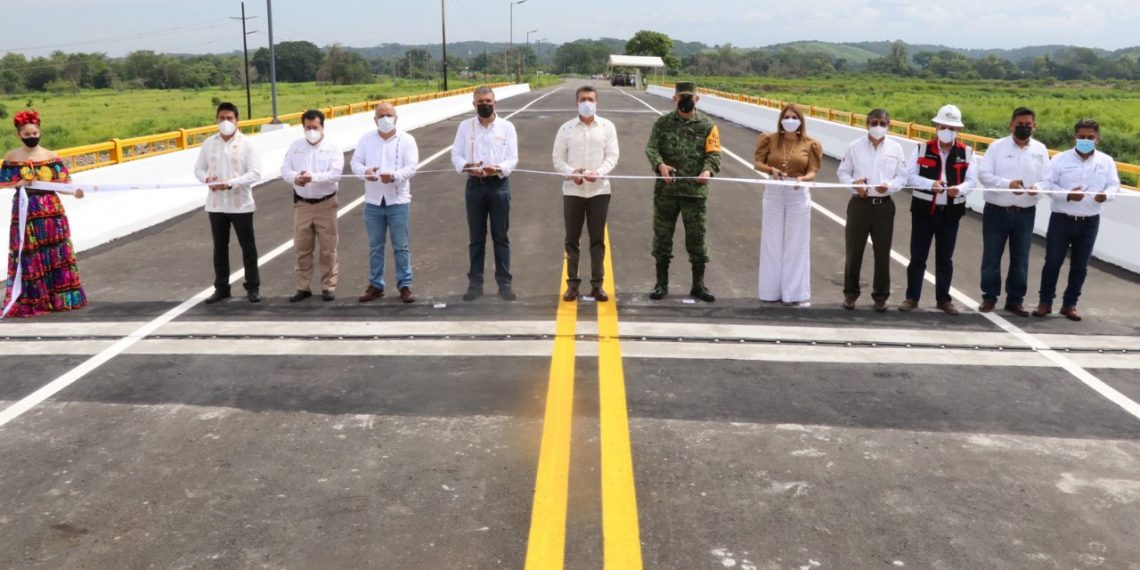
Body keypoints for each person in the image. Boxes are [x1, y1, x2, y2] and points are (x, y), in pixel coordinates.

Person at [1, 110, 87, 318]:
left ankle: (61, 298)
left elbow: (63, 184)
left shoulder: (50, 156)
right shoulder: (12, 157)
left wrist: (75, 192)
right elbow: (3, 183)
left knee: (57, 252)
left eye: (34, 133)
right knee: (28, 253)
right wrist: (19, 183)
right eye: (27, 134)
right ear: (19, 135)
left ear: (40, 132)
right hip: (25, 211)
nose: (31, 137)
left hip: (50, 211)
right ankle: (34, 299)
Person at [1033, 118, 1120, 322]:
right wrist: (1068, 195)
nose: (1085, 140)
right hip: (1062, 219)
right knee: (1052, 262)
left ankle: (1070, 304)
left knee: (1080, 266)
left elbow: (1114, 185)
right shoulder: (1059, 160)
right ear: (1074, 137)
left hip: (1089, 221)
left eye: (1090, 137)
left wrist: (1105, 195)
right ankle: (1045, 302)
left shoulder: (1106, 161)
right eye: (1082, 137)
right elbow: (1048, 185)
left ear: (1098, 139)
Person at [644, 81, 722, 302]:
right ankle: (661, 284)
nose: (685, 101)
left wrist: (708, 171)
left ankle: (699, 285)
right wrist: (660, 165)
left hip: (694, 193)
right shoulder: (662, 123)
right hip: (666, 192)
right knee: (662, 239)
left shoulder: (707, 125)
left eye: (689, 97)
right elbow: (651, 148)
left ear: (697, 99)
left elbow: (714, 154)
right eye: (681, 97)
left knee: (697, 240)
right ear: (674, 99)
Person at [899, 104, 978, 316]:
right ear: (936, 127)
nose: (947, 131)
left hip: (950, 214)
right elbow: (909, 176)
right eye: (944, 127)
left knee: (945, 260)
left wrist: (959, 189)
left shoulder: (967, 152)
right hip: (924, 212)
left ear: (958, 130)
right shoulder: (921, 149)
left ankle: (944, 299)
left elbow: (972, 181)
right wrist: (930, 184)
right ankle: (912, 298)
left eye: (952, 128)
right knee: (918, 257)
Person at [977, 107, 1050, 317]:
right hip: (996, 212)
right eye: (1020, 124)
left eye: (1028, 124)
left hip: (1025, 213)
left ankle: (1015, 300)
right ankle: (989, 297)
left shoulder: (1040, 149)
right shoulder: (997, 147)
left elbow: (1048, 179)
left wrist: (1038, 188)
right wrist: (1007, 184)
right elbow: (984, 175)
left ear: (1035, 126)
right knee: (992, 256)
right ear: (1011, 125)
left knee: (1020, 259)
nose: (1024, 128)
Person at [552, 85, 620, 302]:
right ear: (577, 102)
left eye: (590, 99)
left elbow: (613, 156)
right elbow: (557, 159)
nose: (587, 103)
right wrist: (572, 173)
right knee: (572, 239)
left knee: (597, 239)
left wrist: (598, 173)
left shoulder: (607, 127)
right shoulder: (566, 129)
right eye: (583, 99)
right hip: (573, 191)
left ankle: (597, 285)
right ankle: (572, 285)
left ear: (596, 102)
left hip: (599, 191)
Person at [451, 86, 519, 301]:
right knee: (476, 238)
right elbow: (456, 155)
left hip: (499, 186)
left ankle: (505, 284)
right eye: (480, 102)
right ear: (474, 104)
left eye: (488, 101)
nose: (484, 105)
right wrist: (467, 166)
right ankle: (475, 284)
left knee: (501, 236)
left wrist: (497, 168)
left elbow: (512, 158)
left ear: (495, 103)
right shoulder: (465, 127)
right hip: (474, 186)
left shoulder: (507, 127)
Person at [836, 108, 908, 312]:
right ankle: (850, 294)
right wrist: (854, 185)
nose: (878, 126)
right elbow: (843, 173)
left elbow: (902, 177)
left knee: (883, 253)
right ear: (867, 124)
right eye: (874, 122)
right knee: (854, 251)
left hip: (884, 206)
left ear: (889, 125)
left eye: (882, 123)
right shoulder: (855, 146)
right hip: (859, 204)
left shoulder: (896, 148)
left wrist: (890, 186)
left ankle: (881, 296)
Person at [753, 103, 823, 307]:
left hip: (797, 193)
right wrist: (771, 170)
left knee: (797, 243)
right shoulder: (769, 139)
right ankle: (769, 291)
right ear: (781, 119)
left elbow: (813, 171)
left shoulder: (811, 144)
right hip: (774, 191)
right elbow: (758, 163)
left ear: (801, 121)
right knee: (771, 241)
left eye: (794, 117)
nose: (790, 120)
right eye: (787, 117)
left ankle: (794, 293)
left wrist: (803, 179)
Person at [194, 102, 263, 304]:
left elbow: (256, 172)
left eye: (229, 118)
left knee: (248, 247)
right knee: (220, 248)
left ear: (237, 120)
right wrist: (207, 179)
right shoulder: (209, 143)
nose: (225, 122)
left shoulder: (247, 144)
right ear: (216, 120)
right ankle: (221, 288)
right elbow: (198, 169)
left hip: (241, 204)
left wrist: (231, 183)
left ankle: (253, 287)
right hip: (216, 204)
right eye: (222, 118)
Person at [352, 102, 419, 304]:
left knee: (401, 246)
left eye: (389, 115)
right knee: (375, 246)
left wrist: (395, 176)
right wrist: (365, 172)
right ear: (375, 119)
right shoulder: (366, 139)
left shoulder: (406, 140)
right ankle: (376, 285)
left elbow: (412, 166)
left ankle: (405, 285)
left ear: (396, 117)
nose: (385, 119)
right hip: (373, 201)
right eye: (381, 116)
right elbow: (355, 163)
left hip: (397, 201)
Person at [281, 109, 343, 303]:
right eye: (307, 128)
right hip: (302, 205)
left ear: (322, 127)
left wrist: (313, 178)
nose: (311, 131)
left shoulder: (332, 147)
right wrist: (295, 178)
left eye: (315, 127)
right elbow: (285, 169)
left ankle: (328, 286)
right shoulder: (296, 146)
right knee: (302, 248)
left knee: (328, 248)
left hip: (325, 204)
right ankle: (302, 287)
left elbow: (335, 174)